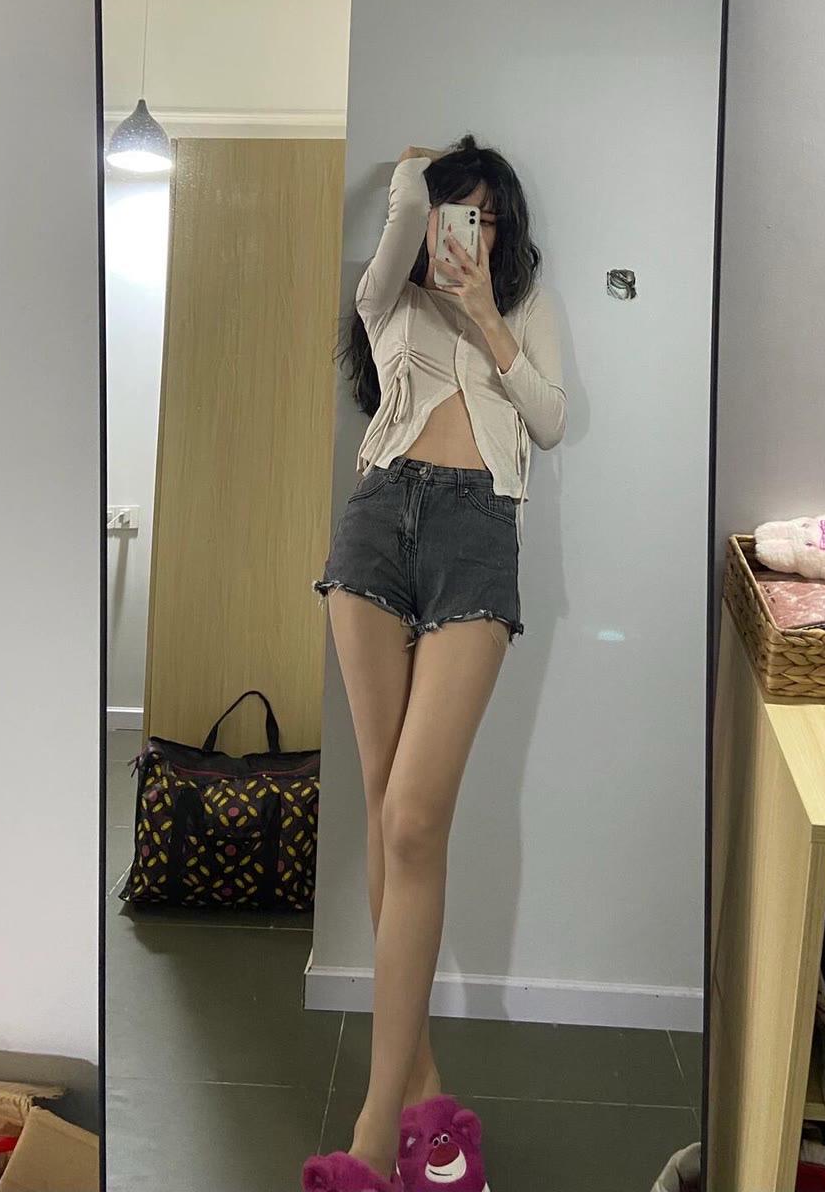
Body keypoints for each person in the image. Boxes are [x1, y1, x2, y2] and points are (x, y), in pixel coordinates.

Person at [303, 134, 567, 1192]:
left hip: (475, 535)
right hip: (379, 523)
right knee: (384, 806)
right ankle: (423, 1096)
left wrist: (489, 317)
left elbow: (552, 420)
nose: (472, 233)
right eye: (460, 213)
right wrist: (414, 184)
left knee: (414, 820)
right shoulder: (391, 302)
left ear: (508, 233)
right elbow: (386, 261)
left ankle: (378, 1131)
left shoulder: (523, 307)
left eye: (488, 218)